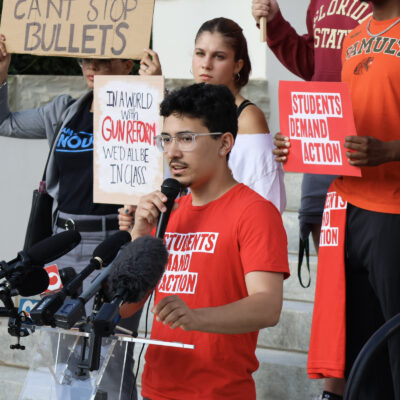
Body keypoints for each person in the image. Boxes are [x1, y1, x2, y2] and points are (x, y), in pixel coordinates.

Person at [120, 83, 290, 400]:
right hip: (156, 390)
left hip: (219, 392)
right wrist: (139, 237)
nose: (172, 151)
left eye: (187, 138)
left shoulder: (255, 212)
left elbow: (268, 307)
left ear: (224, 143)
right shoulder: (168, 212)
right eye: (167, 139)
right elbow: (125, 306)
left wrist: (197, 317)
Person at [0, 36, 140, 400]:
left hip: (114, 244)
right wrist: (1, 74)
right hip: (63, 244)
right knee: (59, 354)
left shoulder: (142, 113)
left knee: (109, 356)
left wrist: (151, 92)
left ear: (129, 64)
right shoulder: (65, 109)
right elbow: (6, 123)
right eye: (84, 60)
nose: (92, 67)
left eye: (105, 59)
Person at [251, 1, 371, 398]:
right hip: (323, 153)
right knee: (336, 283)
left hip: (373, 151)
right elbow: (313, 61)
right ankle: (336, 387)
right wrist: (276, 24)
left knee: (376, 286)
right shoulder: (320, 3)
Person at [307, 0, 400, 398]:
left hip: (392, 208)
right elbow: (342, 122)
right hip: (345, 204)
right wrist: (298, 143)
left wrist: (392, 151)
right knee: (357, 340)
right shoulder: (352, 38)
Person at [137, 17, 285, 212]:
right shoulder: (188, 109)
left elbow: (265, 195)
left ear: (238, 65)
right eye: (200, 53)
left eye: (219, 56)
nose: (206, 64)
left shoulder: (248, 119)